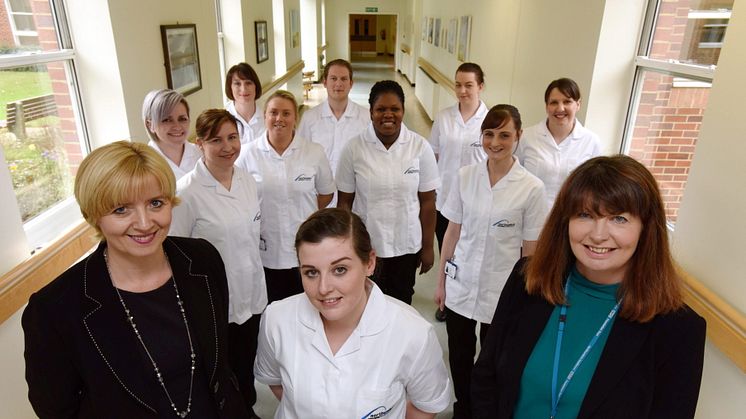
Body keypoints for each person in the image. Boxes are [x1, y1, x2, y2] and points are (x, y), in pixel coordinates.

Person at [22, 141, 250, 418]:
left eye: (156, 203)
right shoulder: (54, 309)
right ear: (93, 216)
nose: (144, 223)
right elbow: (58, 411)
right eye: (121, 210)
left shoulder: (202, 260)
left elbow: (220, 368)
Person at [471, 155, 706, 419]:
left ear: (646, 229)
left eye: (619, 219)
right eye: (585, 214)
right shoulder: (526, 280)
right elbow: (486, 376)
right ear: (566, 220)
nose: (597, 234)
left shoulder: (679, 330)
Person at [254, 208, 451, 418]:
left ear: (369, 263)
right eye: (311, 272)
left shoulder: (413, 333)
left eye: (339, 269)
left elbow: (426, 406)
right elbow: (275, 380)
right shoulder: (277, 319)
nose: (323, 288)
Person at [434, 104, 547, 419]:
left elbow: (530, 252)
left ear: (518, 136)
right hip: (461, 282)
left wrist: (525, 301)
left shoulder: (531, 188)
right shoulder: (465, 176)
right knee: (458, 353)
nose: (495, 142)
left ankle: (486, 410)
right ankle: (463, 408)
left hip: (503, 290)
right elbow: (452, 232)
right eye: (489, 134)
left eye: (504, 135)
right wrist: (442, 282)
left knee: (495, 358)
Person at [170, 109, 266, 418]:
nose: (227, 147)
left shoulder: (247, 180)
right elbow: (174, 255)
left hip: (250, 294)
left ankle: (248, 407)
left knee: (246, 364)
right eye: (216, 140)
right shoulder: (186, 194)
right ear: (199, 144)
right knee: (220, 376)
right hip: (212, 306)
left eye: (232, 137)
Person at [336, 80, 440, 305]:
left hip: (407, 246)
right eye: (381, 109)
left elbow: (428, 202)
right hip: (367, 245)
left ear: (403, 110)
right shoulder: (354, 149)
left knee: (402, 302)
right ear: (371, 111)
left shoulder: (420, 147)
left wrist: (428, 247)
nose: (388, 115)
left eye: (395, 109)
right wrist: (345, 244)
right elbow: (344, 203)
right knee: (367, 303)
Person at [237, 90, 335, 303]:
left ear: (295, 119)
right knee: (271, 309)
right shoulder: (247, 155)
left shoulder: (313, 152)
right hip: (264, 251)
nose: (279, 119)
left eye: (286, 113)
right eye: (273, 113)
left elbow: (326, 193)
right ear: (265, 117)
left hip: (305, 247)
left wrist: (304, 212)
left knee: (307, 306)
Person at [430, 62, 489, 322]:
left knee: (470, 251)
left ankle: (469, 299)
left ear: (480, 87)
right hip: (445, 200)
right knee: (447, 249)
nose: (462, 90)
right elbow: (434, 155)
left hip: (477, 203)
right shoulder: (443, 117)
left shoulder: (490, 121)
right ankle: (446, 300)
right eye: (458, 84)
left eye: (469, 85)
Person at [516, 77, 601, 209]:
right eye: (554, 102)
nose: (560, 108)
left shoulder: (591, 141)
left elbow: (594, 188)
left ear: (578, 104)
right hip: (529, 215)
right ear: (546, 106)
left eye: (567, 102)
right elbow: (514, 178)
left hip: (569, 218)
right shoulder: (526, 137)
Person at [297, 59, 370, 175]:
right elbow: (300, 154)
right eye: (333, 78)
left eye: (344, 79)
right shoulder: (309, 118)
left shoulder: (366, 117)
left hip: (355, 188)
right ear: (325, 82)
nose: (338, 84)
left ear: (351, 83)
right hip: (319, 188)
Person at [142, 89, 200, 179]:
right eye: (167, 120)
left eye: (182, 119)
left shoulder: (201, 153)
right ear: (150, 125)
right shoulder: (143, 164)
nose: (177, 127)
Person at [225, 63, 265, 148]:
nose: (243, 89)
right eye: (237, 84)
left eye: (248, 83)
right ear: (230, 87)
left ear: (256, 86)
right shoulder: (222, 121)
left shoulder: (267, 117)